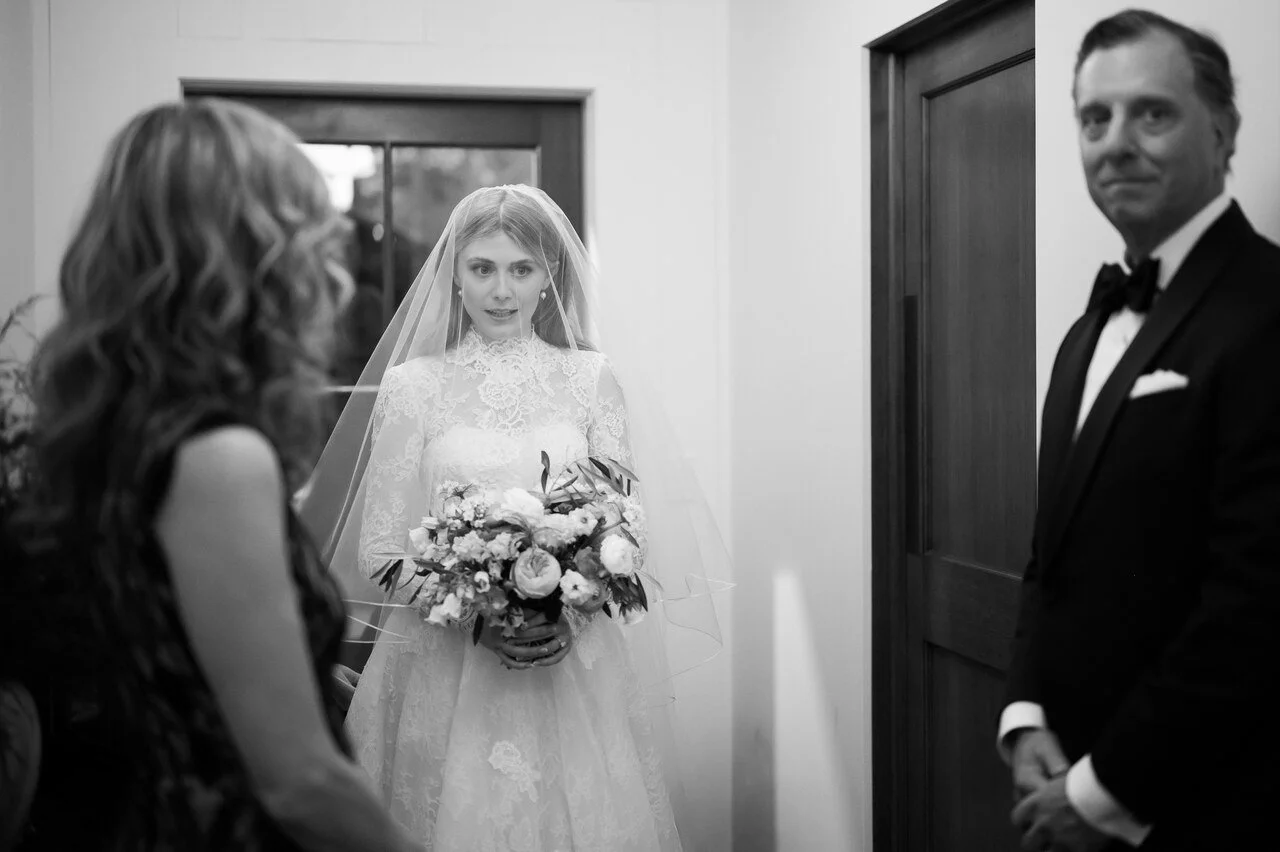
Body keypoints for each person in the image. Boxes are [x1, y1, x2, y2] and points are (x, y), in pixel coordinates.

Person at [22, 98, 421, 851]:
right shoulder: (217, 455)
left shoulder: (115, 424)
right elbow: (299, 781)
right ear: (253, 259)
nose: (330, 269)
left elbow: (184, 657)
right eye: (310, 239)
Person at [299, 184, 726, 850]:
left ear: (548, 274)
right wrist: (479, 615)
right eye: (483, 268)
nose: (502, 290)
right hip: (446, 665)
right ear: (455, 274)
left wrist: (570, 608)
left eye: (521, 269)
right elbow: (379, 551)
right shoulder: (414, 387)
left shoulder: (592, 380)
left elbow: (624, 529)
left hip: (571, 663)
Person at [1000, 10, 1280, 852]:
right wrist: (1025, 710)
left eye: (1151, 113)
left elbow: (1257, 602)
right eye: (1095, 119)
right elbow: (1051, 554)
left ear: (1223, 132)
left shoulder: (1267, 308)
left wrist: (1105, 791)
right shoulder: (1082, 334)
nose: (1116, 143)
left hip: (1206, 806)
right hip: (1061, 779)